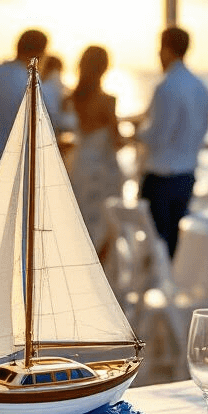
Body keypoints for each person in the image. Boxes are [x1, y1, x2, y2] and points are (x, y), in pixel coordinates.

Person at [0, 29, 60, 217]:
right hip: (16, 170)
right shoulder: (32, 82)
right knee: (15, 234)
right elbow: (49, 126)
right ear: (42, 53)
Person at [137, 26, 208, 258]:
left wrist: (136, 133)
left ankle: (162, 290)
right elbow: (203, 129)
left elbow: (158, 136)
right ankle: (169, 288)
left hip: (161, 178)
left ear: (167, 50)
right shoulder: (201, 87)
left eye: (160, 49)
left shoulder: (166, 86)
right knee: (175, 247)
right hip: (187, 175)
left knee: (157, 246)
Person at [67, 46, 123, 260]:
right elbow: (117, 141)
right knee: (105, 224)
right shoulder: (108, 101)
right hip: (103, 171)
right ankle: (98, 276)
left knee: (80, 222)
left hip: (79, 165)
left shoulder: (71, 98)